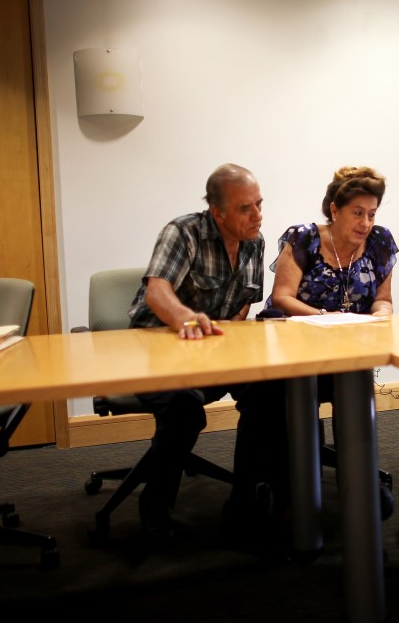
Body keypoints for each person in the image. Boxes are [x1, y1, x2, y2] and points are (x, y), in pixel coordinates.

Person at [128, 163, 287, 550]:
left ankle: (244, 502)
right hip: (158, 349)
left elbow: (242, 307)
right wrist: (187, 319)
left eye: (259, 204)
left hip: (214, 351)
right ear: (218, 213)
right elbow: (158, 292)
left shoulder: (255, 240)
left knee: (270, 391)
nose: (258, 215)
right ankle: (155, 512)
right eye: (245, 208)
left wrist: (224, 338)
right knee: (183, 407)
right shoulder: (183, 232)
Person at [266, 165, 398, 318]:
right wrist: (324, 316)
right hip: (301, 335)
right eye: (358, 213)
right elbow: (282, 298)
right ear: (335, 211)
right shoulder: (304, 239)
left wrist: (383, 311)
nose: (366, 223)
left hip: (358, 336)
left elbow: (383, 299)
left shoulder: (380, 241)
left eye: (372, 214)